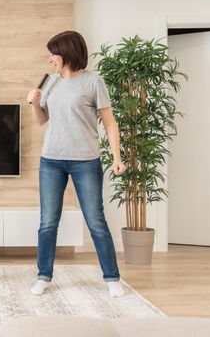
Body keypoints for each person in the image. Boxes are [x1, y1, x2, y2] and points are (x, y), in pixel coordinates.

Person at [27, 31, 126, 298]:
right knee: (48, 222)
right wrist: (35, 104)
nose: (49, 60)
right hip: (51, 161)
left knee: (95, 220)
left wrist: (117, 158)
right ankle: (43, 276)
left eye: (53, 54)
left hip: (85, 160)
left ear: (67, 52)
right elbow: (41, 120)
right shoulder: (51, 83)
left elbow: (110, 123)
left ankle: (112, 278)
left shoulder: (93, 81)